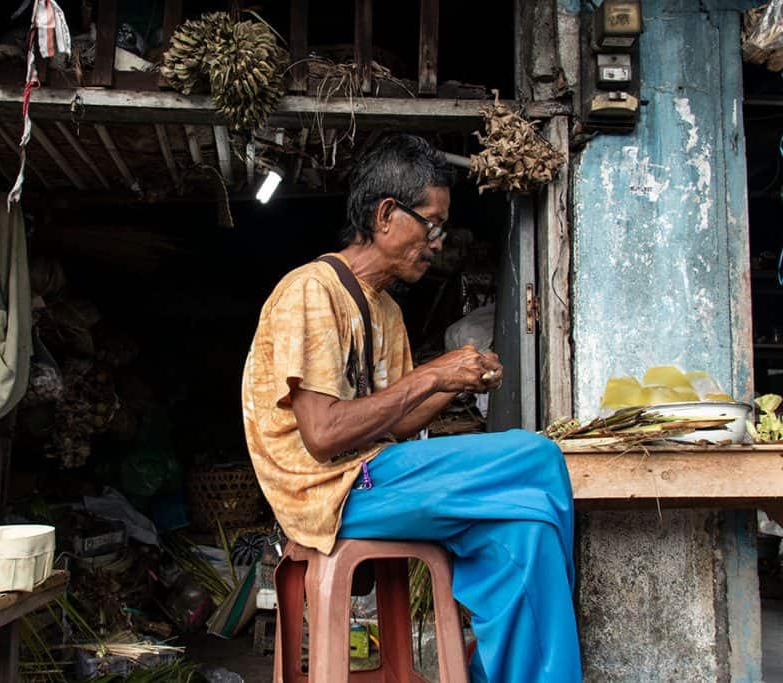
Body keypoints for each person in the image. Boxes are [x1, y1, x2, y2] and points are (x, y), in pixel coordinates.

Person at [241, 134, 580, 682]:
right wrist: (432, 373)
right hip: (329, 490)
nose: (438, 243)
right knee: (539, 457)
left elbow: (393, 420)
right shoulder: (311, 291)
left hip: (375, 478)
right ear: (385, 215)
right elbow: (325, 434)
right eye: (432, 225)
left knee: (528, 536)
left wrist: (454, 383)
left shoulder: (387, 312)